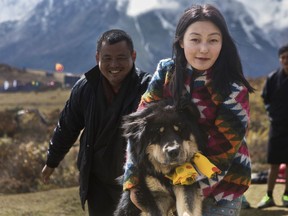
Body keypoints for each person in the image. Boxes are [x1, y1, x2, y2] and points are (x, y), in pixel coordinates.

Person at [123, 4, 255, 216]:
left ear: (223, 44)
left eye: (213, 40)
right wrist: (132, 181)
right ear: (181, 41)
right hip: (165, 182)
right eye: (195, 39)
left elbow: (220, 157)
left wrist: (183, 199)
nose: (204, 48)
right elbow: (138, 132)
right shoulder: (166, 72)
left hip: (221, 189)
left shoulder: (233, 90)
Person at [41, 29, 151, 215]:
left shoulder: (147, 88)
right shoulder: (86, 87)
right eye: (107, 58)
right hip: (96, 181)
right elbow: (67, 126)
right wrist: (52, 161)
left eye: (121, 58)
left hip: (135, 180)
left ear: (133, 56)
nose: (114, 65)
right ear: (97, 57)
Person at [257, 44, 288, 209]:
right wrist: (271, 114)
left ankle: (286, 195)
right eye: (283, 58)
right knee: (274, 164)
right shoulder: (272, 78)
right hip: (276, 127)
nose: (286, 61)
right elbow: (265, 98)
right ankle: (268, 195)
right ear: (279, 59)